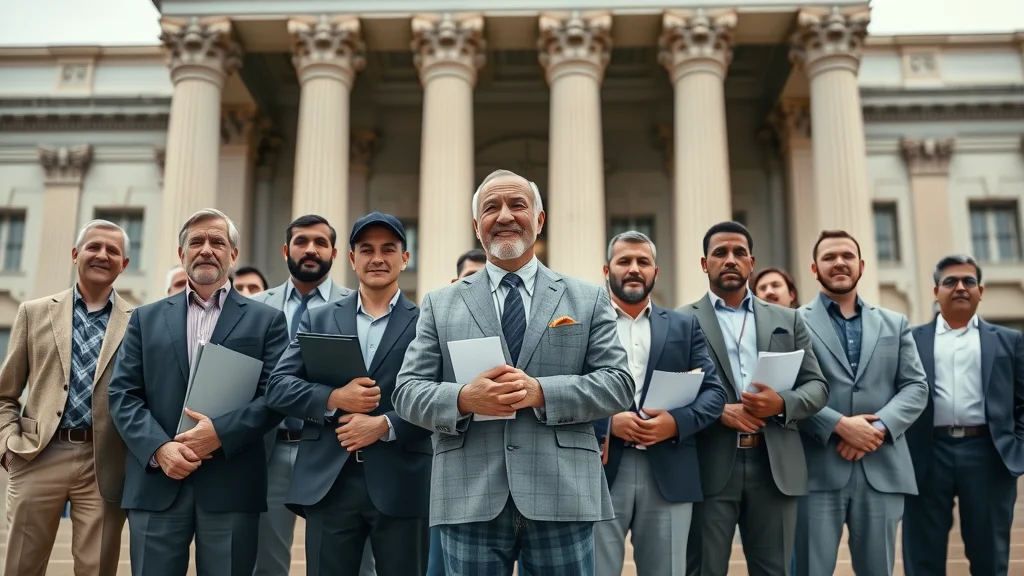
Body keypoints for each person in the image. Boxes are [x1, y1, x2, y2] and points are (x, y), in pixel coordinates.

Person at [393, 169, 634, 575]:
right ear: (476, 226)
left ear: (539, 220)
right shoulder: (439, 303)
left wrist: (541, 391)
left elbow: (618, 384)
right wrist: (463, 399)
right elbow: (406, 392)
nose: (504, 215)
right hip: (469, 494)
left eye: (517, 205)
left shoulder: (587, 297)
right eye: (491, 208)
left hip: (564, 492)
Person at [109, 208, 289, 576]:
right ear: (182, 254)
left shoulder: (267, 320)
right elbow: (123, 395)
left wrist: (219, 435)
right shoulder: (145, 318)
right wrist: (160, 448)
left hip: (232, 482)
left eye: (217, 242)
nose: (207, 249)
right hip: (158, 480)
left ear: (233, 255)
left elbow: (276, 395)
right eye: (196, 241)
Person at [267, 212, 431, 576]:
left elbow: (442, 399)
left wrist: (385, 425)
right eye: (366, 249)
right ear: (352, 259)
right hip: (330, 483)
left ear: (405, 258)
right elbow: (277, 387)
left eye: (389, 249)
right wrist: (334, 398)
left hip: (403, 481)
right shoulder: (319, 318)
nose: (377, 258)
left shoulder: (426, 322)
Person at [682, 221, 828, 576]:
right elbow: (672, 392)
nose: (730, 260)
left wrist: (781, 403)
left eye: (738, 253)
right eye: (720, 253)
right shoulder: (681, 321)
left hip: (774, 465)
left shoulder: (788, 320)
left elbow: (817, 387)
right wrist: (716, 410)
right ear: (705, 264)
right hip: (709, 466)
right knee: (703, 570)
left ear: (751, 262)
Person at [0, 220, 133, 576]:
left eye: (113, 251)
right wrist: (7, 447)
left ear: (125, 264)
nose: (102, 255)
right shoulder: (33, 312)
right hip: (38, 453)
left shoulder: (139, 322)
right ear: (75, 255)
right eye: (93, 247)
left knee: (97, 569)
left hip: (104, 463)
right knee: (20, 567)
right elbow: (5, 394)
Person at [795, 230, 928, 576]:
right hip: (815, 471)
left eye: (847, 256)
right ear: (814, 268)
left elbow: (916, 387)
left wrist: (877, 429)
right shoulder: (792, 322)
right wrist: (840, 426)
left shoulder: (895, 323)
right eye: (829, 257)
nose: (839, 262)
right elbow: (786, 392)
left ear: (861, 265)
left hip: (882, 469)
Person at [594, 231, 726, 576]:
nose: (634, 268)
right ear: (607, 271)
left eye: (643, 262)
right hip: (598, 468)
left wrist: (675, 423)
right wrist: (607, 423)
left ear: (656, 272)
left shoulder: (685, 325)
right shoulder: (584, 324)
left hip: (670, 468)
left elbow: (715, 394)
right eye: (624, 261)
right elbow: (563, 390)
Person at [247, 214, 370, 576]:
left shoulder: (358, 304)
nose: (310, 249)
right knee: (266, 563)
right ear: (287, 250)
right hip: (269, 450)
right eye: (301, 241)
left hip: (337, 449)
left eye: (320, 242)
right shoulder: (256, 308)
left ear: (335, 252)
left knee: (353, 563)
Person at [903, 255, 1024, 576]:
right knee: (922, 557)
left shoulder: (1010, 341)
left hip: (987, 454)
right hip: (926, 454)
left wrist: (1018, 447)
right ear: (935, 291)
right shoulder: (910, 341)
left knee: (989, 558)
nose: (960, 287)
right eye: (950, 282)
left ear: (980, 291)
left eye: (968, 281)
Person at [426, 246, 492, 576]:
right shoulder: (436, 325)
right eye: (471, 278)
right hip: (458, 480)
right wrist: (465, 398)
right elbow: (414, 392)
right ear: (456, 282)